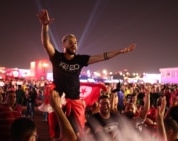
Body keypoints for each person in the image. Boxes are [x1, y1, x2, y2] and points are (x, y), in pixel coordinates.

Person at [37, 9, 136, 138]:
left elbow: (102, 56)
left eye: (76, 42)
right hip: (59, 103)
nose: (74, 44)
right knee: (58, 135)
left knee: (77, 135)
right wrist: (45, 26)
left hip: (75, 103)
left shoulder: (80, 60)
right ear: (64, 44)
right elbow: (46, 43)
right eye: (71, 42)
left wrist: (120, 51)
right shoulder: (57, 57)